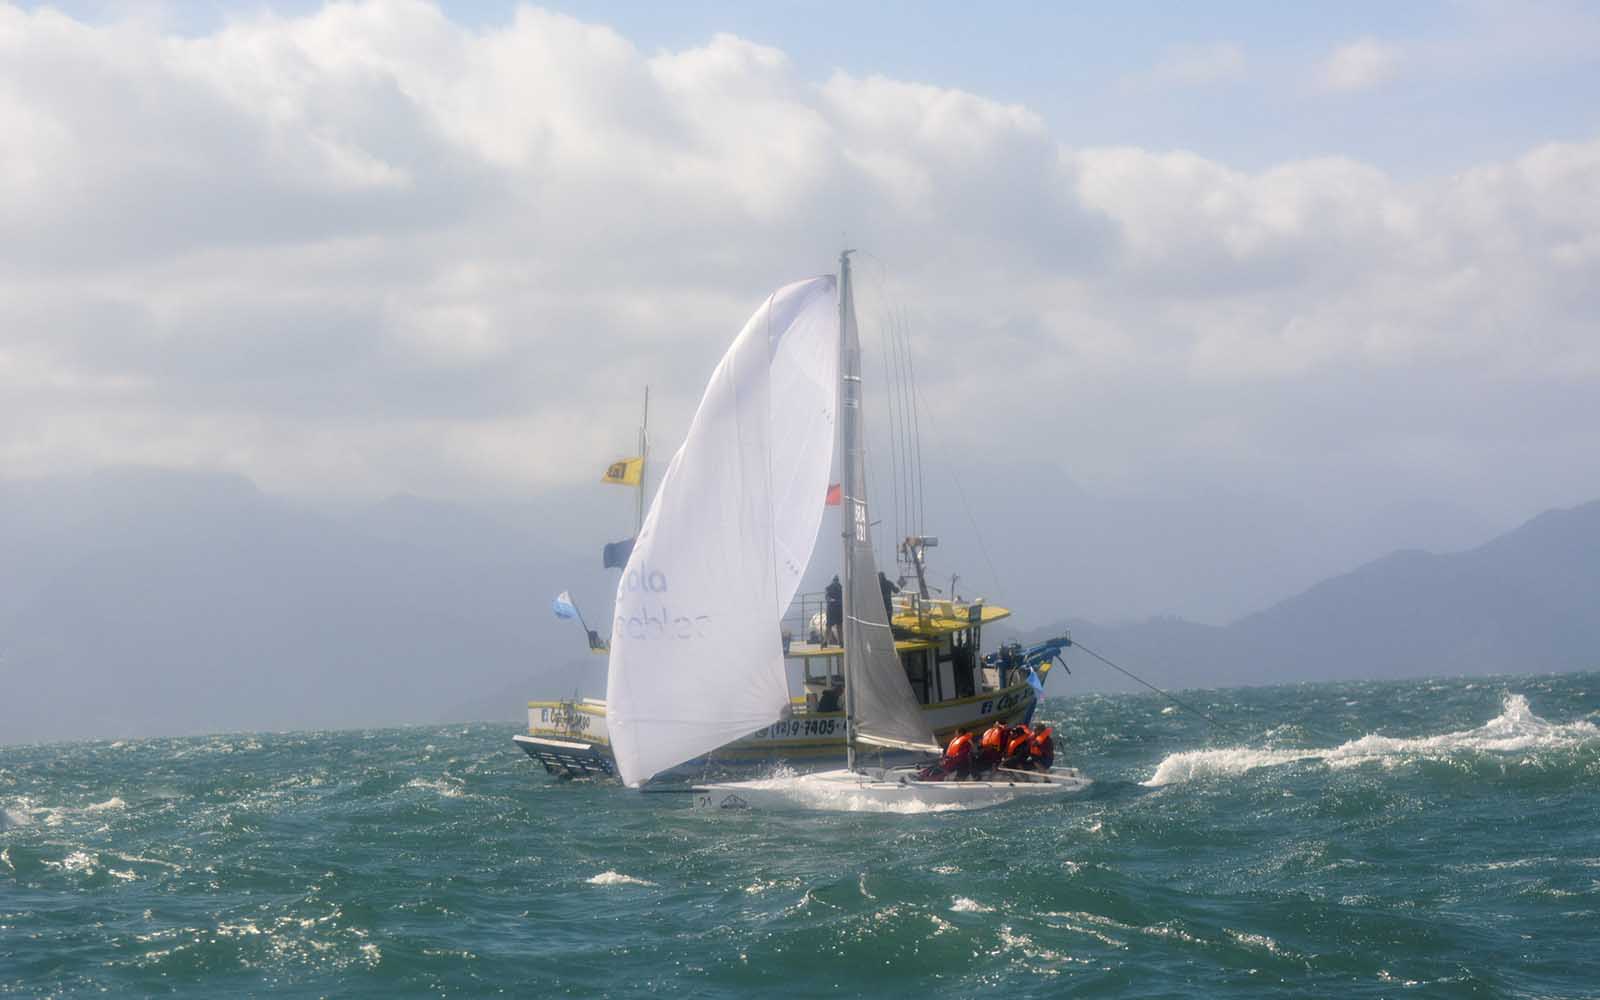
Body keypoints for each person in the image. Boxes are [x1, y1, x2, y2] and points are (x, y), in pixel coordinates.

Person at [824, 575, 842, 646]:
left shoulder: (840, 588)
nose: (836, 581)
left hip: (834, 609)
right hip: (834, 609)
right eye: (835, 580)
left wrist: (832, 600)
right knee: (830, 626)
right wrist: (832, 600)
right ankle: (826, 641)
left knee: (837, 626)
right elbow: (827, 597)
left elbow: (827, 597)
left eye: (836, 580)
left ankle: (840, 642)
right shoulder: (840, 588)